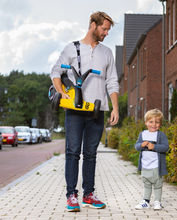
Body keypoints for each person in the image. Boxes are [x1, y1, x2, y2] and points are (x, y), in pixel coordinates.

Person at [50, 11, 119, 212]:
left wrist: (115, 107)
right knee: (73, 152)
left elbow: (112, 80)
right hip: (75, 110)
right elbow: (56, 72)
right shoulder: (71, 48)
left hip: (98, 110)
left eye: (108, 30)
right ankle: (71, 196)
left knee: (91, 154)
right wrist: (61, 93)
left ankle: (88, 194)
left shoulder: (107, 53)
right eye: (104, 29)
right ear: (93, 25)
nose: (106, 33)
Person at [134, 109, 169, 211]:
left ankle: (157, 201)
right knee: (147, 184)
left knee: (158, 185)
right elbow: (136, 146)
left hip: (156, 166)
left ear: (160, 123)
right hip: (145, 165)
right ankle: (146, 201)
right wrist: (141, 145)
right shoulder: (143, 134)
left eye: (157, 122)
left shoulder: (161, 135)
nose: (154, 124)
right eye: (151, 122)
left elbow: (165, 147)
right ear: (146, 123)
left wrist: (154, 147)